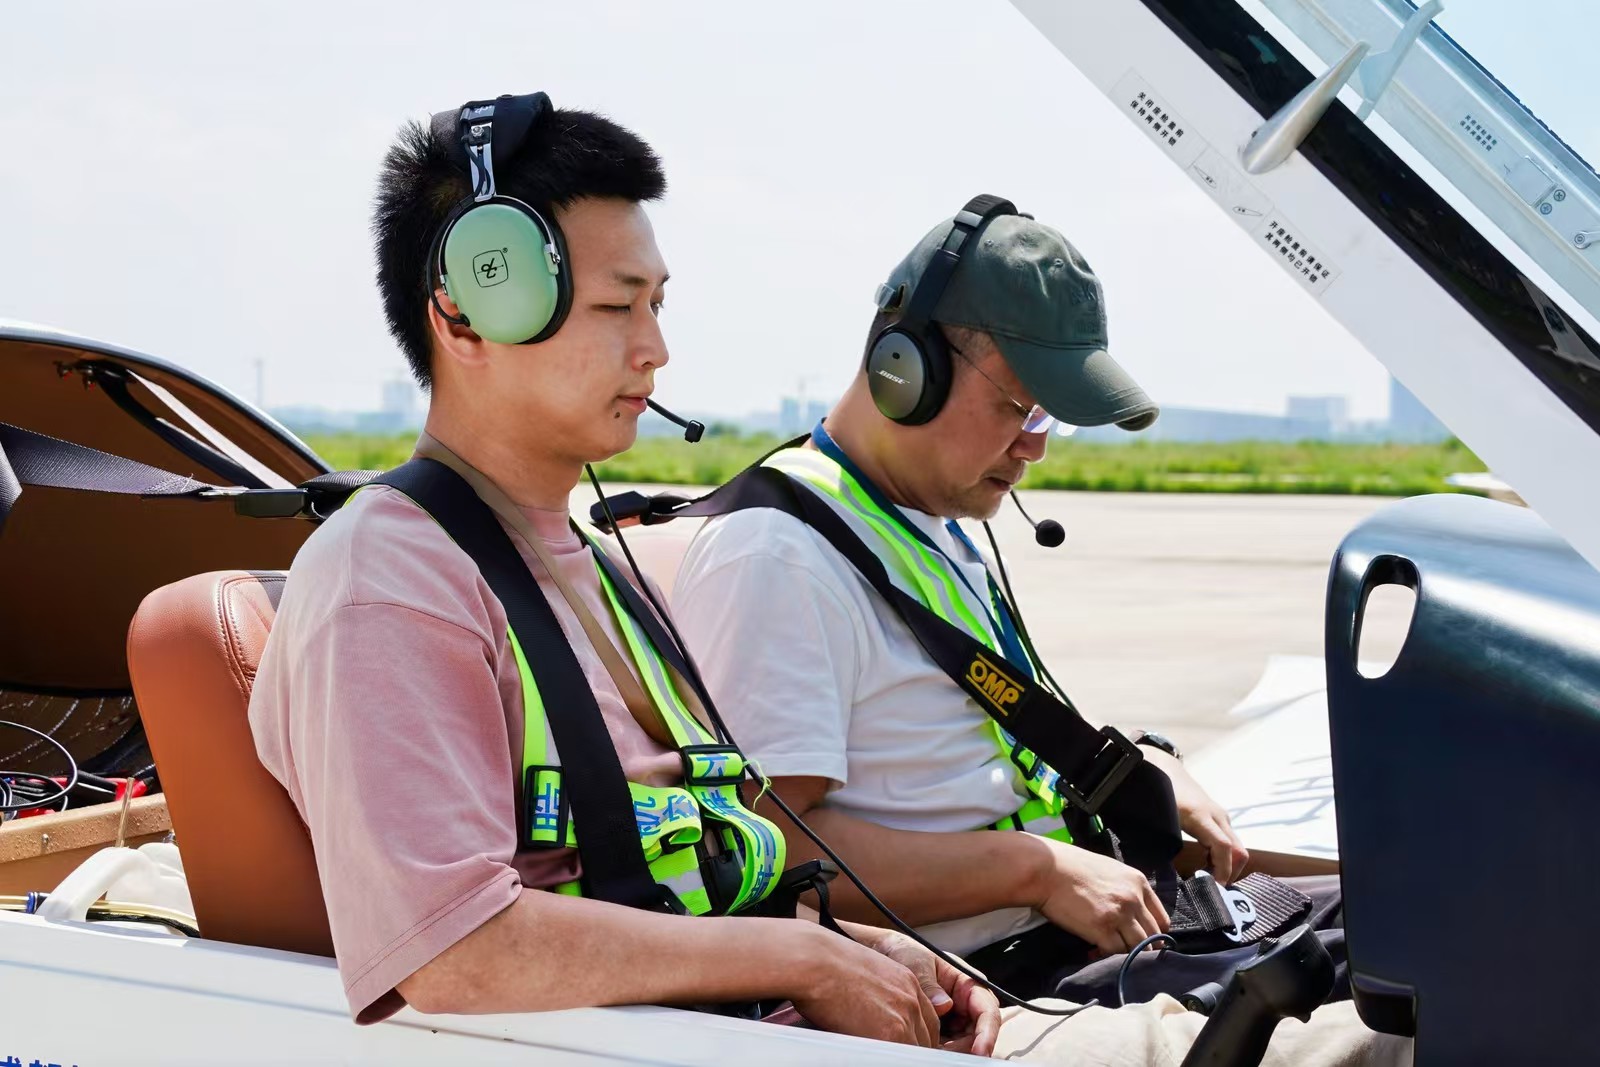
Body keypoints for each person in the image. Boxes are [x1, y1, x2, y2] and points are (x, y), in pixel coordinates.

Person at [249, 98, 1399, 1064]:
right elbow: (453, 949)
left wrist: (868, 949)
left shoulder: (586, 567)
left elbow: (718, 855)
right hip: (738, 1033)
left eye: (657, 305)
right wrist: (803, 952)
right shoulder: (391, 578)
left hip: (831, 1015)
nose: (656, 350)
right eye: (615, 307)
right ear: (467, 314)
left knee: (1409, 983)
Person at [671, 198, 1344, 1006]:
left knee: (1412, 918)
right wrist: (1036, 869)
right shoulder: (779, 556)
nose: (1034, 446)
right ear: (905, 371)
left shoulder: (924, 524)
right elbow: (767, 848)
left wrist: (1139, 766)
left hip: (1082, 931)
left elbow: (976, 744)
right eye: (1018, 407)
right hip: (999, 978)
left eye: (1048, 417)